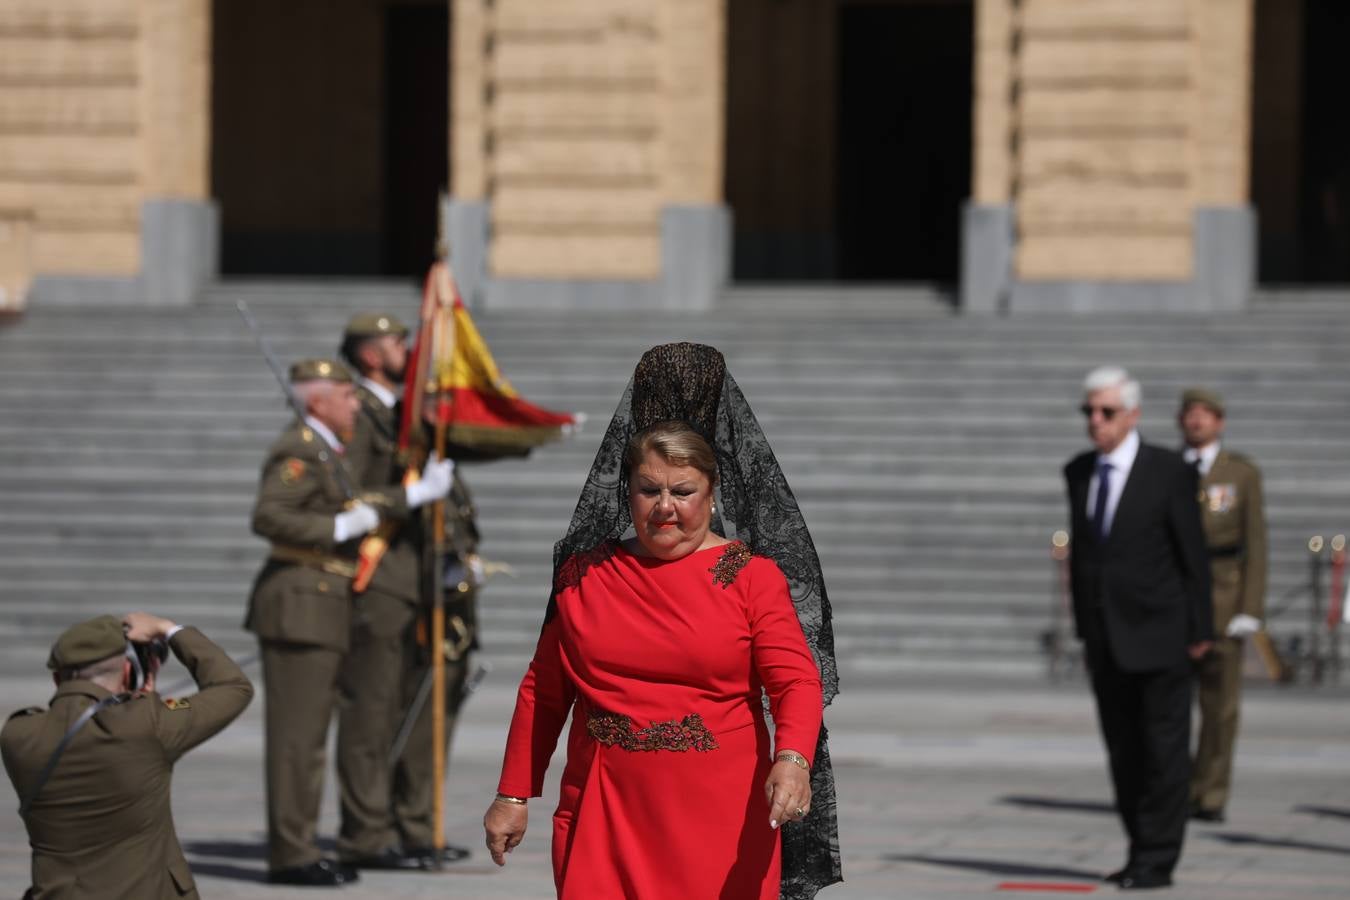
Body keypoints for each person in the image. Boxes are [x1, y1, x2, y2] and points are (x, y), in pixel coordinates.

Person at [483, 342, 842, 900]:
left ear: (712, 494)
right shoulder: (585, 575)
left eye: (683, 492)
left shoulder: (751, 577)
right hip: (604, 802)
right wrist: (513, 793)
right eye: (649, 490)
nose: (665, 506)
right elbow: (543, 691)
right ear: (627, 493)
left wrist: (792, 759)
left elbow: (795, 680)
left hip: (719, 812)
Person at [245, 358, 452, 886]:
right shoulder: (298, 449)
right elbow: (269, 515)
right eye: (345, 394)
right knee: (298, 741)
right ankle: (290, 854)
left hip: (324, 602)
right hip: (300, 599)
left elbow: (360, 499)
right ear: (317, 400)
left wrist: (410, 495)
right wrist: (340, 524)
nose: (355, 402)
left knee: (310, 738)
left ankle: (301, 845)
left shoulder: (326, 448)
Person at [1064, 366, 1213, 890]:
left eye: (1105, 412)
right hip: (1107, 641)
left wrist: (1201, 627)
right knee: (1124, 752)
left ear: (1132, 415)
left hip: (1162, 634)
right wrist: (1085, 628)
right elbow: (1083, 556)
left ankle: (1157, 858)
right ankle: (1138, 849)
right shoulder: (1079, 470)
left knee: (1164, 752)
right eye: (1089, 411)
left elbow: (1192, 554)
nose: (1095, 421)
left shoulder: (1168, 470)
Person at [336, 312, 476, 868]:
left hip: (425, 582)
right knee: (372, 714)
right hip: (383, 582)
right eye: (397, 342)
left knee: (420, 711)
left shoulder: (406, 414)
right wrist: (413, 497)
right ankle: (367, 835)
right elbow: (353, 496)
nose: (407, 349)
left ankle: (413, 827)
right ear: (371, 354)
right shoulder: (361, 413)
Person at [2, 611, 253, 898]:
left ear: (57, 679)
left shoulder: (18, 734)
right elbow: (232, 686)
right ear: (126, 671)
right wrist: (170, 630)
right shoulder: (147, 723)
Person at [1177, 387, 1267, 824]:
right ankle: (1175, 789)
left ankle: (1211, 793)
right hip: (1176, 600)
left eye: (1204, 414)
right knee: (1171, 706)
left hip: (1224, 596)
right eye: (1190, 414)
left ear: (1219, 422)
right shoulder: (1168, 467)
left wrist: (1250, 607)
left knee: (1221, 708)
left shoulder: (1241, 473)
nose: (1196, 421)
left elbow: (1256, 542)